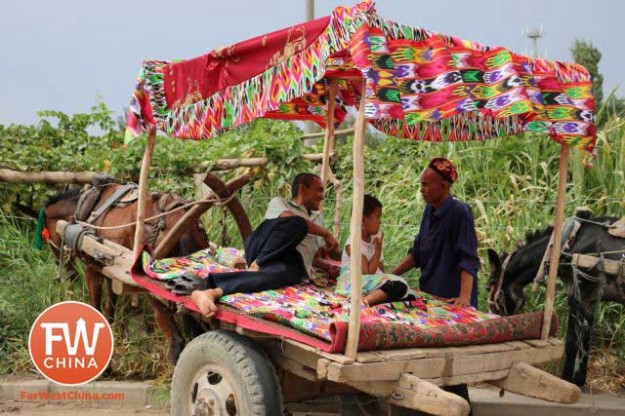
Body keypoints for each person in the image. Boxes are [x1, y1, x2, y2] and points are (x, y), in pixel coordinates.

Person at [390, 157, 479, 415]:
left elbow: (468, 258)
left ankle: (462, 410)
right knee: (432, 361)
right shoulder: (429, 210)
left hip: (452, 299)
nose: (422, 189)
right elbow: (418, 253)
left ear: (443, 186)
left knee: (453, 367)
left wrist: (464, 298)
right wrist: (391, 275)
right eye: (421, 184)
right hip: (431, 296)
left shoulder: (460, 212)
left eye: (427, 185)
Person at [189, 173, 339, 317]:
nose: (322, 195)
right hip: (260, 251)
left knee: (287, 275)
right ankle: (258, 263)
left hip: (287, 262)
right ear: (302, 189)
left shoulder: (318, 219)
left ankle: (210, 292)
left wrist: (329, 267)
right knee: (298, 224)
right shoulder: (279, 203)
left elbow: (315, 259)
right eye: (319, 189)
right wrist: (326, 234)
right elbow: (293, 221)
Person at [336, 194, 411, 306]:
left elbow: (380, 268)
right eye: (377, 217)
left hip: (370, 281)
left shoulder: (375, 238)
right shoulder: (353, 242)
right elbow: (366, 272)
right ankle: (365, 301)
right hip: (354, 282)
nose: (380, 222)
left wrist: (386, 280)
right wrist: (378, 250)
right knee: (398, 285)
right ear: (363, 220)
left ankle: (376, 295)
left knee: (404, 289)